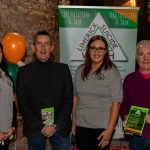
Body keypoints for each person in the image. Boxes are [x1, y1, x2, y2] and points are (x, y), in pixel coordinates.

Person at [16, 30, 73, 150]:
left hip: (60, 128)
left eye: (46, 44)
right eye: (39, 43)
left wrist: (55, 125)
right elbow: (23, 104)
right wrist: (41, 126)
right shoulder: (23, 72)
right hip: (35, 129)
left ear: (52, 47)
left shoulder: (63, 70)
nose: (43, 48)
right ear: (33, 47)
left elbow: (68, 101)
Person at [72, 35, 123, 150]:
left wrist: (109, 130)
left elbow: (117, 102)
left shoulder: (112, 71)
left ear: (105, 51)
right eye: (93, 48)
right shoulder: (80, 70)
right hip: (81, 126)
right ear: (88, 50)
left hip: (102, 128)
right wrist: (74, 121)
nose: (96, 52)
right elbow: (75, 97)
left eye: (101, 49)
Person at [120, 40, 150, 150]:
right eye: (141, 54)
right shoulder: (129, 79)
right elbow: (125, 104)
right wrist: (126, 117)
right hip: (137, 138)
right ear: (136, 57)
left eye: (149, 54)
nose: (145, 58)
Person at [0, 42, 16, 150]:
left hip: (6, 133)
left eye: (0, 52)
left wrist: (13, 126)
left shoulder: (5, 75)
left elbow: (12, 103)